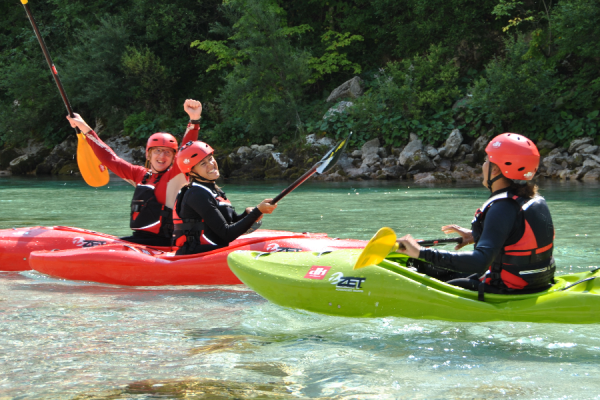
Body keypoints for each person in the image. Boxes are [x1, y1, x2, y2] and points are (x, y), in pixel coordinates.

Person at [396, 133, 555, 300]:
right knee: (431, 268)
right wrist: (478, 236)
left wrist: (420, 252)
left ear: (495, 169)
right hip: (536, 281)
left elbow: (480, 262)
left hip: (507, 289)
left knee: (421, 265)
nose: (483, 165)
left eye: (486, 160)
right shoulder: (533, 199)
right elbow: (517, 235)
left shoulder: (502, 208)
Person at [66, 99, 203, 247]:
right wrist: (84, 127)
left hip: (163, 243)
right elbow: (110, 159)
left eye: (167, 152)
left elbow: (186, 149)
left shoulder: (176, 176)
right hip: (139, 240)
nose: (162, 156)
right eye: (157, 151)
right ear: (148, 155)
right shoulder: (140, 175)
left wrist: (194, 120)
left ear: (173, 157)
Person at [172, 140, 277, 255]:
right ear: (191, 172)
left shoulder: (214, 190)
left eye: (210, 158)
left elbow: (230, 223)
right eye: (203, 163)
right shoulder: (197, 194)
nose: (211, 164)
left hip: (213, 252)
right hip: (195, 255)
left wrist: (247, 214)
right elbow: (227, 234)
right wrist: (257, 212)